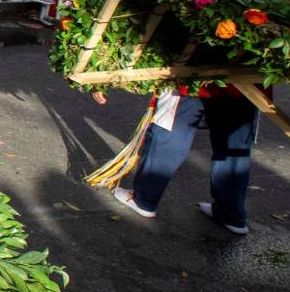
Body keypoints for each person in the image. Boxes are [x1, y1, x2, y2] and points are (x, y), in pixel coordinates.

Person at [111, 89, 260, 235]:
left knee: (174, 127)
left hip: (194, 77)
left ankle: (144, 199)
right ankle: (231, 213)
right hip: (242, 79)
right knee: (234, 139)